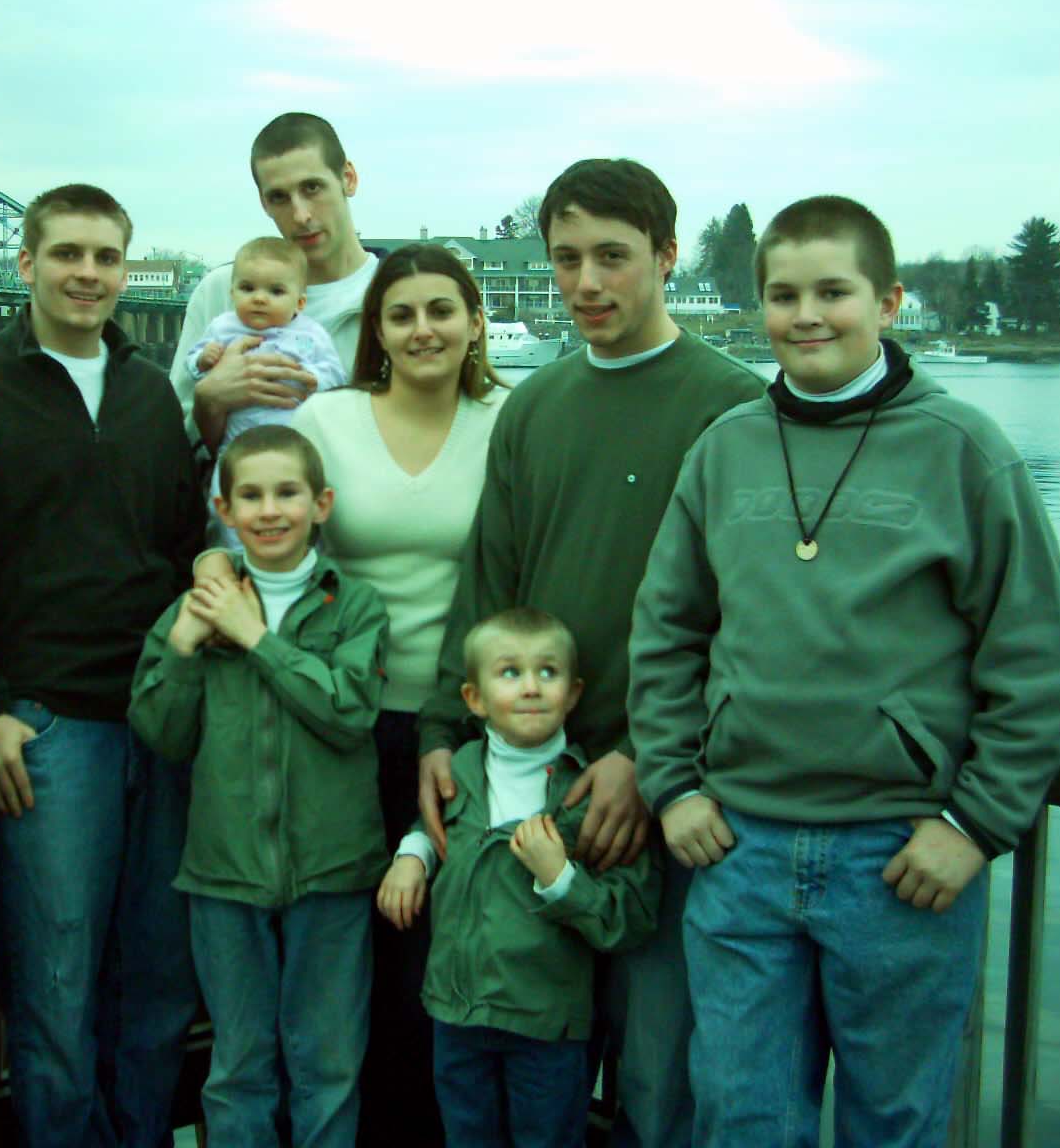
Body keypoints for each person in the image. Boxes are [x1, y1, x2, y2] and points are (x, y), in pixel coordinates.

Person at [629, 195, 1060, 1147]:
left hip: (903, 862)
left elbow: (1037, 659)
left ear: (889, 302)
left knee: (893, 1126)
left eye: (834, 291)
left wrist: (978, 824)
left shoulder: (965, 451)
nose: (808, 315)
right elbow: (666, 634)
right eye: (784, 295)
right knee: (742, 1121)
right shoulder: (724, 449)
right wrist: (673, 785)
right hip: (737, 849)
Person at [416, 158, 764, 1146]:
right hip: (539, 793)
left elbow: (750, 622)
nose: (585, 283)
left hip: (671, 793)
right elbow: (489, 586)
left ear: (665, 255)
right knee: (536, 1068)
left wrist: (650, 758)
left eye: (612, 256)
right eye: (565, 259)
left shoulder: (733, 407)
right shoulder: (535, 406)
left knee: (659, 1074)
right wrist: (442, 730)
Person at [0, 184, 203, 1148]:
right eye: (67, 253)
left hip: (159, 718)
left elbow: (177, 548)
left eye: (106, 256)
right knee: (57, 979)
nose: (88, 273)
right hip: (44, 724)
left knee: (158, 975)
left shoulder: (149, 391)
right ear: (26, 264)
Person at [290, 242, 508, 1143]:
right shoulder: (326, 418)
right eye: (402, 314)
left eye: (442, 310)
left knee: (440, 950)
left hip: (464, 733)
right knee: (348, 951)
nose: (424, 329)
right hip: (341, 723)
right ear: (375, 330)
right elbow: (265, 537)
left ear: (474, 322)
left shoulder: (510, 419)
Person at [130, 424, 389, 1148]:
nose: (270, 510)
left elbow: (349, 712)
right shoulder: (196, 608)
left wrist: (257, 639)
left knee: (327, 1062)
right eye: (250, 495)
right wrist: (182, 649)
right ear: (224, 509)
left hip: (332, 869)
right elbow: (161, 734)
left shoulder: (353, 605)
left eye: (287, 493)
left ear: (321, 504)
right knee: (239, 1065)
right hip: (225, 871)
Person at [381, 608, 659, 1148]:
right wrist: (412, 856)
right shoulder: (459, 771)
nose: (531, 687)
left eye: (547, 672)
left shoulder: (588, 795)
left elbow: (631, 918)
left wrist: (560, 877)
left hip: (545, 1026)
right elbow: (437, 829)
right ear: (474, 698)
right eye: (510, 672)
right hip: (457, 1015)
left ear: (573, 694)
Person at [170, 112, 379, 453]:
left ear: (348, 179)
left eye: (312, 188)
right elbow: (174, 444)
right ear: (264, 203)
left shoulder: (394, 299)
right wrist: (209, 400)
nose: (301, 215)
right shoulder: (218, 292)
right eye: (279, 197)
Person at [187, 235, 348, 541]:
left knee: (297, 507)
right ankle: (234, 555)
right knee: (228, 504)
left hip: (296, 443)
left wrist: (314, 378)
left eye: (275, 291)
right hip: (237, 443)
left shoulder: (311, 334)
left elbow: (335, 375)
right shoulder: (223, 327)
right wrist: (204, 359)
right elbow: (193, 364)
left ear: (299, 303)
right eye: (248, 288)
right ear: (232, 293)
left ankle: (300, 557)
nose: (259, 298)